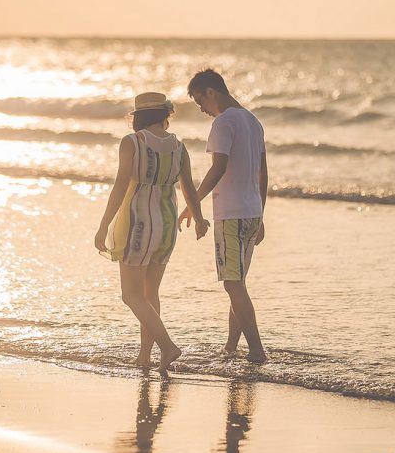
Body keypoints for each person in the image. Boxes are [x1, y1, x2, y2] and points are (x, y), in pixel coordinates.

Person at [95, 92, 209, 373]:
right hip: (167, 223)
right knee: (150, 293)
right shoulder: (178, 146)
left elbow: (121, 186)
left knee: (131, 295)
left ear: (138, 117)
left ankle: (167, 346)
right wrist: (200, 218)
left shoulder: (133, 142)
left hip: (138, 224)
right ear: (164, 115)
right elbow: (189, 188)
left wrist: (103, 225)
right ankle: (145, 356)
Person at [179, 69, 268, 363]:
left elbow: (218, 167)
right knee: (237, 282)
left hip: (231, 214)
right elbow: (262, 173)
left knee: (233, 284)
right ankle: (231, 347)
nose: (201, 109)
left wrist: (194, 202)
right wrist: (262, 213)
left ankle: (256, 350)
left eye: (199, 101)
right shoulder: (253, 122)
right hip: (251, 212)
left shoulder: (223, 122)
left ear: (211, 92)